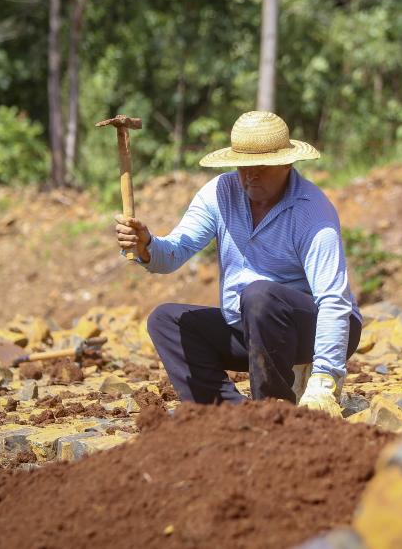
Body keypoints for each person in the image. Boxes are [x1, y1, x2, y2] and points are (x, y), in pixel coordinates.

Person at [114, 111, 361, 415]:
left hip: (313, 325)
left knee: (259, 296)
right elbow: (175, 252)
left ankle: (273, 412)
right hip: (252, 326)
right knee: (166, 321)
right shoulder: (219, 194)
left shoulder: (312, 212)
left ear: (286, 163)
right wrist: (147, 246)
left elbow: (334, 301)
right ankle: (232, 414)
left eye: (261, 167)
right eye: (243, 165)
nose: (250, 174)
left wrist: (325, 379)